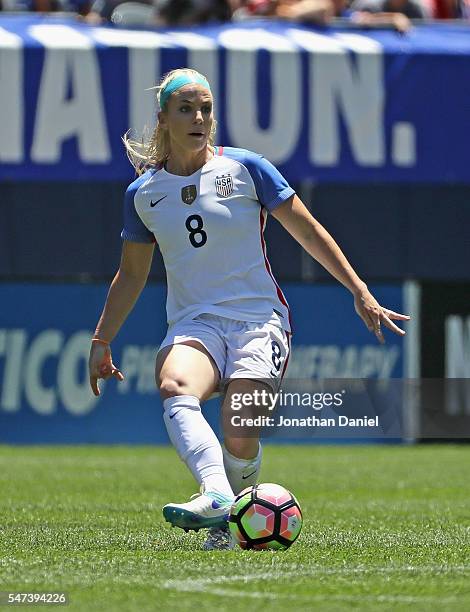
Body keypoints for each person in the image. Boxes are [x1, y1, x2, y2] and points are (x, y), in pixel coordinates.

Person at [88, 68, 410, 550]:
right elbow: (131, 275)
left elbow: (307, 230)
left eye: (206, 108)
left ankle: (231, 510)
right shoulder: (143, 194)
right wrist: (101, 340)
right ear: (163, 119)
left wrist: (359, 289)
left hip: (260, 321)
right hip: (195, 322)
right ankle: (217, 494)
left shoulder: (246, 168)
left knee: (241, 430)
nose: (199, 117)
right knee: (175, 383)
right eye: (186, 109)